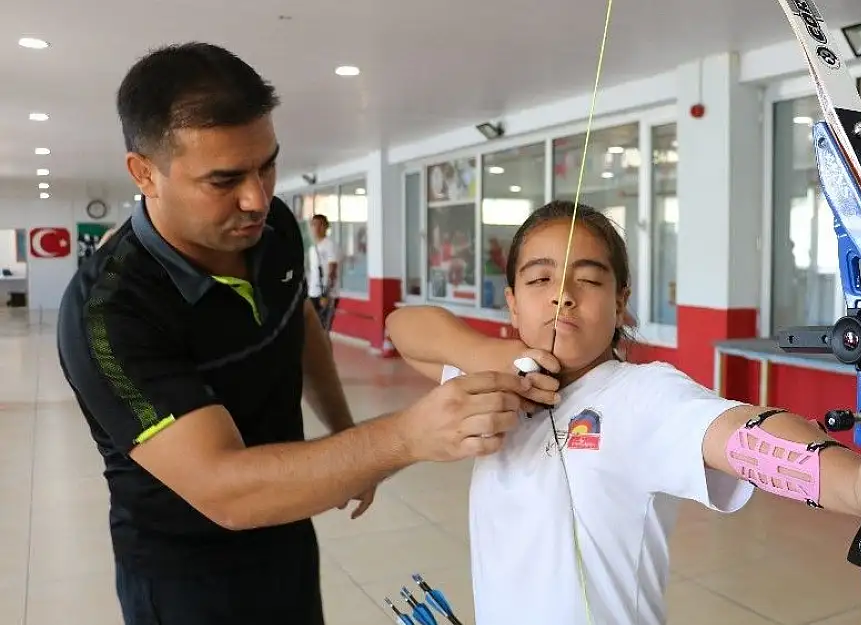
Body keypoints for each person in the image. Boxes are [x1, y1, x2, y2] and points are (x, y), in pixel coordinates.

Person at [55, 42, 549, 625]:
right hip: (185, 571)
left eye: (267, 164)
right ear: (145, 173)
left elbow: (299, 322)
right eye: (224, 179)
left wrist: (346, 436)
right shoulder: (109, 314)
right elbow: (225, 489)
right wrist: (403, 438)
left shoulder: (272, 229)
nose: (257, 197)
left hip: (288, 530)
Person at [385, 200, 861, 625]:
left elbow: (739, 434)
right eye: (540, 278)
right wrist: (487, 354)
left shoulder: (643, 395)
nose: (563, 293)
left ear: (621, 302)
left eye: (588, 281)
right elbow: (403, 325)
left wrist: (855, 480)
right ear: (512, 302)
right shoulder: (486, 381)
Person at [307, 213, 339, 330]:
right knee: (313, 330)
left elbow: (333, 270)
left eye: (320, 225)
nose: (316, 227)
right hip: (313, 293)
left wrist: (326, 294)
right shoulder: (312, 248)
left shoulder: (330, 245)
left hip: (326, 294)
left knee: (323, 330)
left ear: (326, 227)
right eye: (314, 224)